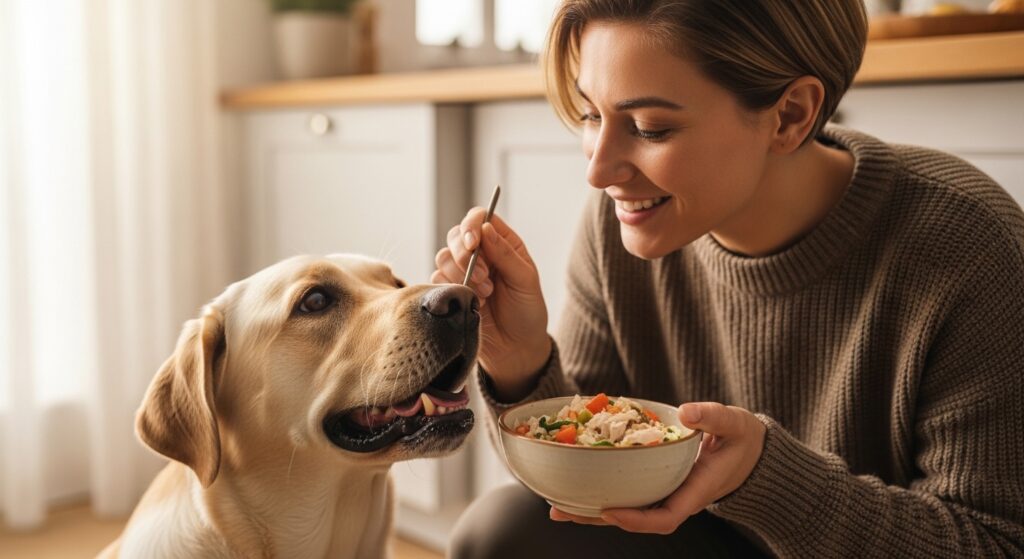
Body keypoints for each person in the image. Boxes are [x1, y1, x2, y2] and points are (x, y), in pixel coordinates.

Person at [432, 0, 1024, 557]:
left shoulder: (967, 244)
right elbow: (582, 489)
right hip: (703, 541)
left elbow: (996, 543)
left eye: (650, 128)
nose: (598, 170)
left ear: (790, 116)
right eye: (591, 114)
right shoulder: (625, 219)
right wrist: (520, 361)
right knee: (500, 532)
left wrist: (767, 479)